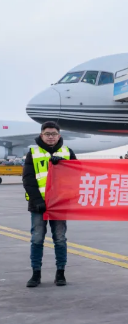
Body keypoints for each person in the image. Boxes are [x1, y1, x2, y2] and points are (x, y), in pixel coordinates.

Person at [22, 121, 77, 288]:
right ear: (42, 135)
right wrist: (38, 201)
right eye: (47, 134)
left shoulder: (67, 152)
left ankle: (60, 273)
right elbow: (28, 179)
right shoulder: (33, 152)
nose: (51, 137)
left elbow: (77, 175)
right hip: (38, 205)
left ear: (59, 136)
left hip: (59, 205)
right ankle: (36, 273)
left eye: (54, 134)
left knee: (60, 239)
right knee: (37, 239)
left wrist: (64, 164)